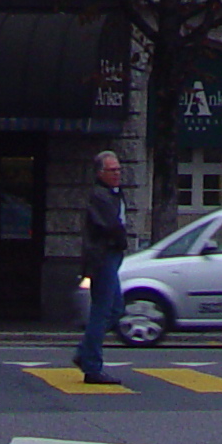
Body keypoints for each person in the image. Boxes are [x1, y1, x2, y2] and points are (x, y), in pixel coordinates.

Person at [73, 149, 129, 385]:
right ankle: (92, 367)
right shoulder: (100, 195)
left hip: (111, 255)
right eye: (111, 170)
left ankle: (85, 354)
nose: (117, 173)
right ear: (100, 172)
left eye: (118, 169)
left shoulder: (111, 193)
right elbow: (110, 225)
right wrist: (121, 240)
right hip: (103, 256)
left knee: (115, 309)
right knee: (102, 311)